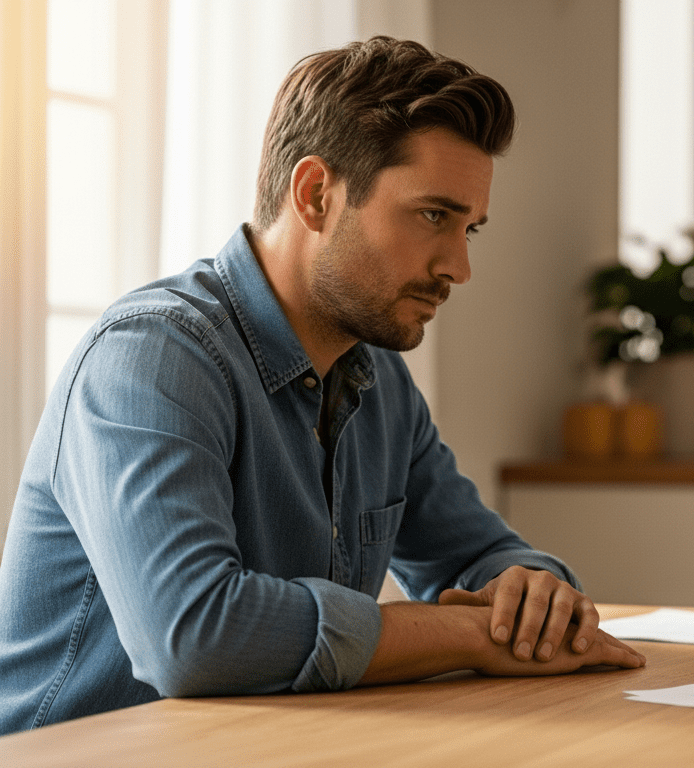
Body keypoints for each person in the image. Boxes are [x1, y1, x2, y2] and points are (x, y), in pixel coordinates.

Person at [0, 36, 644, 736]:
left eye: (470, 229)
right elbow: (192, 637)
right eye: (433, 216)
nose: (459, 267)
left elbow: (477, 555)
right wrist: (465, 636)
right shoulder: (150, 359)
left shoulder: (378, 378)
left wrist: (534, 590)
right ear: (315, 195)